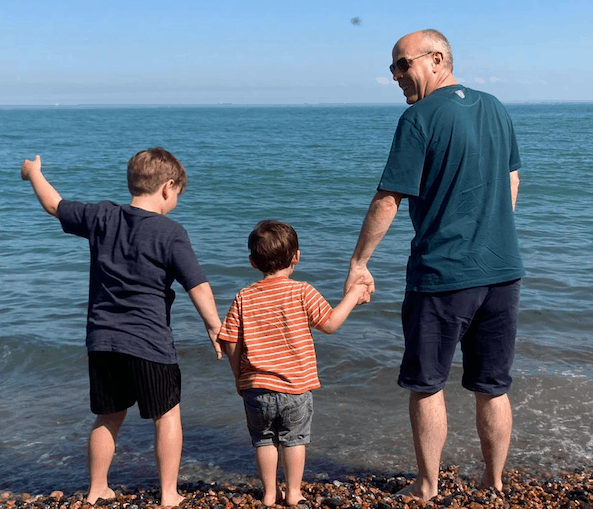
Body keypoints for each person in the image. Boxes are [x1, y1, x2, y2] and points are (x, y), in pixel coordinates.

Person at [344, 29, 524, 501]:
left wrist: (360, 261)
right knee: (492, 385)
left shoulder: (419, 118)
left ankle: (427, 486)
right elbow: (511, 180)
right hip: (503, 269)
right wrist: (492, 230)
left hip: (443, 273)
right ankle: (494, 483)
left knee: (427, 385)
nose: (398, 76)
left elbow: (388, 199)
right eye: (393, 68)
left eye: (404, 64)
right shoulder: (496, 108)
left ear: (438, 58)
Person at [21, 148, 223, 507]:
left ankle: (97, 488)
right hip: (149, 341)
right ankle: (168, 493)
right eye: (177, 194)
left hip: (102, 340)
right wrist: (213, 325)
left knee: (109, 415)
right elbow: (197, 284)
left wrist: (34, 173)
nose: (176, 201)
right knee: (167, 414)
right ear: (168, 187)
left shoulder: (101, 216)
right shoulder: (170, 232)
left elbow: (54, 205)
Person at [218, 220, 368, 507]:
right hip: (295, 387)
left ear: (253, 262)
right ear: (296, 257)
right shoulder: (302, 292)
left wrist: (239, 376)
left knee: (263, 440)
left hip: (256, 387)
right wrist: (353, 295)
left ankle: (269, 493)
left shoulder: (243, 297)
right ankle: (294, 492)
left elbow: (231, 343)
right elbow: (330, 324)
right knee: (294, 439)